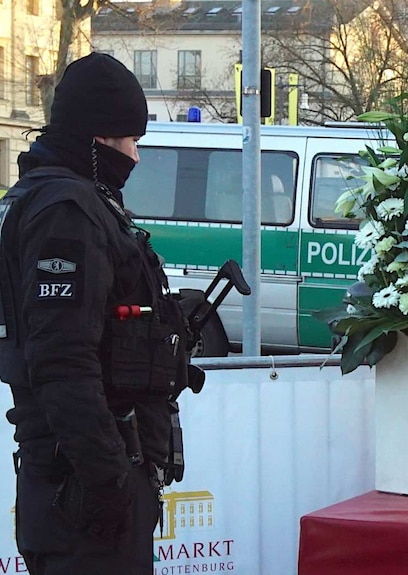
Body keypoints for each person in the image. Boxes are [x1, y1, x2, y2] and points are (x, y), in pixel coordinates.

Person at [0, 52, 196, 574]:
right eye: (131, 140)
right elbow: (63, 363)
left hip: (87, 482)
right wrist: (111, 484)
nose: (136, 154)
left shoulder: (75, 200)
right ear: (99, 139)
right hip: (82, 495)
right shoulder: (67, 211)